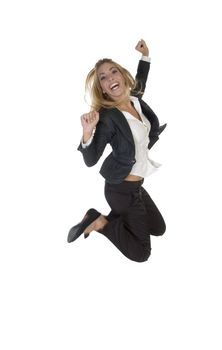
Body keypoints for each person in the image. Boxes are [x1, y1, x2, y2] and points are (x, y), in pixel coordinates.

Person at [67, 39, 166, 263]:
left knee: (158, 228)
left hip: (137, 187)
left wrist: (146, 55)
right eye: (103, 77)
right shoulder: (108, 118)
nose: (110, 77)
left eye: (114, 72)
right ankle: (100, 221)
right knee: (141, 254)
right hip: (120, 190)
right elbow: (90, 160)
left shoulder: (134, 99)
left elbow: (141, 81)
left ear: (122, 75)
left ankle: (117, 216)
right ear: (102, 88)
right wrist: (87, 133)